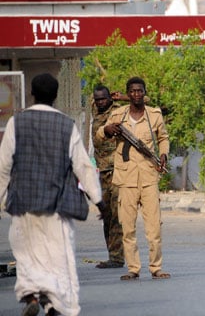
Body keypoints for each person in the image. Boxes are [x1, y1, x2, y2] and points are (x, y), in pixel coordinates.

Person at [0, 73, 106, 316]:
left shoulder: (17, 122)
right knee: (56, 257)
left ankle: (31, 295)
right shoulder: (66, 125)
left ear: (32, 94)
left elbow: (3, 166)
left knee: (26, 252)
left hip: (23, 202)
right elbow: (83, 166)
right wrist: (98, 200)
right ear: (56, 96)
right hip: (56, 206)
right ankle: (53, 302)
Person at [98, 77, 171, 281]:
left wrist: (163, 154)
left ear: (144, 93)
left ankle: (156, 267)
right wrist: (107, 130)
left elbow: (163, 138)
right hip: (126, 177)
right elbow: (99, 135)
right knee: (128, 227)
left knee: (154, 227)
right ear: (128, 94)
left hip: (148, 176)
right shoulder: (118, 115)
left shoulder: (153, 115)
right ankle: (133, 268)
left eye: (140, 91)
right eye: (133, 91)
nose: (136, 94)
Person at [91, 85, 125, 269]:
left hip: (116, 170)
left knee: (116, 215)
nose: (100, 102)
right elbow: (93, 99)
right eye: (98, 99)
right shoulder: (94, 109)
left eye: (104, 99)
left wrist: (123, 97)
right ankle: (112, 254)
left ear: (110, 98)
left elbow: (145, 101)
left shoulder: (119, 111)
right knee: (106, 215)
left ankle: (117, 258)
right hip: (102, 172)